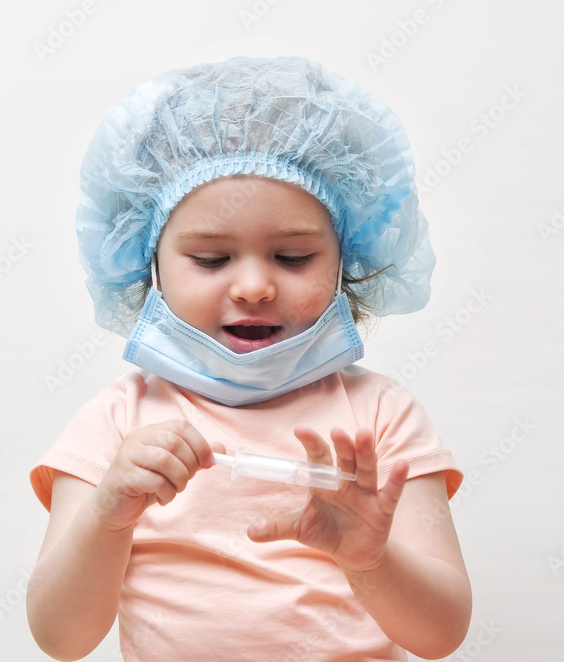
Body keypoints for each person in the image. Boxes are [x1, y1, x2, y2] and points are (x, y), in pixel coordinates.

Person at [27, 56, 471, 661]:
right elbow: (62, 639)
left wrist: (370, 559)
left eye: (292, 257)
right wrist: (108, 514)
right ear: (146, 266)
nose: (254, 287)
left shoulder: (380, 418)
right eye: (211, 261)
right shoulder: (117, 423)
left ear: (348, 261)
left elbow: (442, 634)